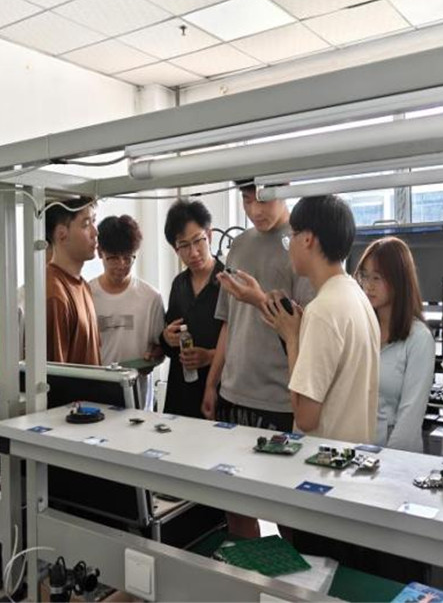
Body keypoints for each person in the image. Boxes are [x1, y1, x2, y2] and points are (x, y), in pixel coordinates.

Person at [202, 180, 314, 539]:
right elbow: (228, 322)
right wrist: (212, 383)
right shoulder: (238, 245)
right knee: (236, 504)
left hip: (279, 399)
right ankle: (246, 572)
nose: (255, 210)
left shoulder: (301, 245)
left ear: (284, 188)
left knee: (288, 512)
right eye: (247, 201)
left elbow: (305, 327)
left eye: (263, 200)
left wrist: (259, 297)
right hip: (234, 395)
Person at [261, 194, 379, 444]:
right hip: (353, 453)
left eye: (291, 236)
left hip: (323, 458)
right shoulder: (356, 295)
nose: (289, 246)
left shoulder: (322, 310)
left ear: (307, 239)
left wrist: (292, 339)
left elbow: (306, 418)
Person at [355, 237, 435, 452]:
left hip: (394, 457)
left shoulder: (419, 338)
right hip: (356, 451)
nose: (368, 286)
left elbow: (409, 418)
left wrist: (386, 463)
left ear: (399, 280)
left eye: (377, 277)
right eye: (364, 276)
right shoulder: (361, 329)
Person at [89, 215, 164, 406]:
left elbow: (161, 347)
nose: (121, 265)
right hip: (96, 394)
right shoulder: (86, 294)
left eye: (127, 257)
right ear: (100, 252)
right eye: (113, 258)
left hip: (139, 397)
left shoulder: (151, 297)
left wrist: (154, 357)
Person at [160, 199, 223, 419]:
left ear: (210, 235)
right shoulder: (179, 284)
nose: (193, 252)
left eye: (198, 241)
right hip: (181, 393)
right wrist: (167, 338)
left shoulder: (229, 282)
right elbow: (169, 341)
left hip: (219, 393)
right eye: (184, 245)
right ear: (175, 248)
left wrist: (211, 356)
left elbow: (245, 344)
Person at [45, 197, 101, 365]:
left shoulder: (83, 286)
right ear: (61, 234)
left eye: (94, 221)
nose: (95, 232)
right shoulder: (55, 294)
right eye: (86, 224)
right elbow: (55, 373)